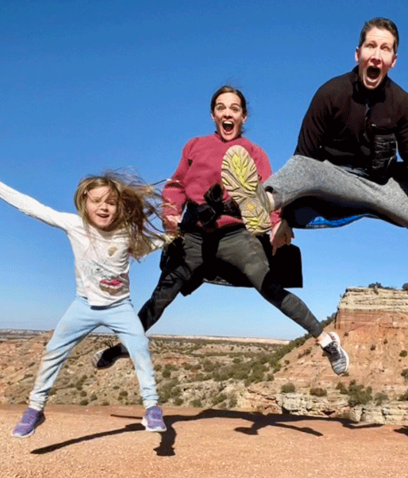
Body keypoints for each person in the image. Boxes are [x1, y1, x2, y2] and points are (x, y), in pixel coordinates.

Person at [92, 86, 349, 375]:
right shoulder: (194, 146)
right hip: (194, 234)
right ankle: (126, 345)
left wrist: (277, 223)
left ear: (243, 116)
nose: (228, 113)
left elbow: (269, 190)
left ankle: (327, 341)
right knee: (163, 293)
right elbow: (176, 184)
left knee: (271, 288)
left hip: (235, 235)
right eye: (222, 107)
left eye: (235, 108)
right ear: (213, 114)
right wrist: (171, 212)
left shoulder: (253, 152)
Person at [0, 154, 169, 438]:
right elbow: (33, 208)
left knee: (140, 349)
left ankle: (151, 409)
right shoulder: (74, 225)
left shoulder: (126, 235)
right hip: (83, 306)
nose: (104, 207)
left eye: (110, 203)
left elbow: (159, 241)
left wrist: (181, 230)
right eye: (97, 201)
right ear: (85, 201)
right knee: (53, 352)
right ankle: (35, 409)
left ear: (119, 206)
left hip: (119, 307)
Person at [220, 17, 408, 249]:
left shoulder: (402, 103)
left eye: (385, 49)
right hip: (335, 179)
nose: (376, 55)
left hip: (380, 186)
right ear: (357, 53)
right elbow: (303, 156)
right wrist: (286, 218)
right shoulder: (330, 93)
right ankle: (260, 202)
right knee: (304, 165)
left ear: (393, 60)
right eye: (370, 46)